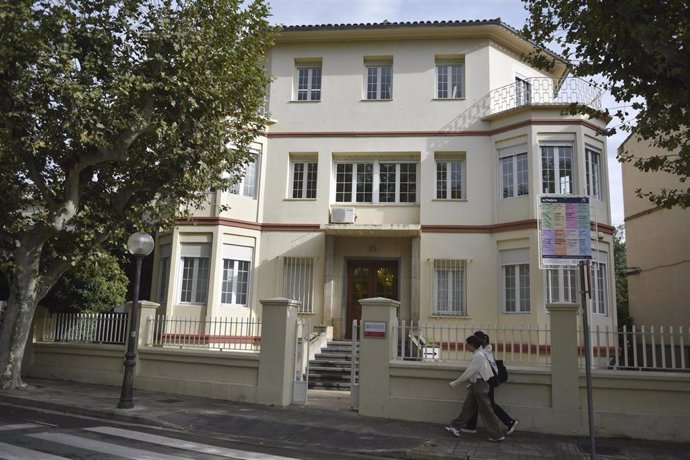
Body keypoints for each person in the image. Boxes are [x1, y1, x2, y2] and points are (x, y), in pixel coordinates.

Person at [445, 335, 506, 442]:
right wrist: (472, 384)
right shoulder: (479, 354)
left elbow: (470, 371)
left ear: (472, 345)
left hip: (480, 385)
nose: (466, 347)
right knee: (468, 407)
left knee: (486, 410)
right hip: (477, 384)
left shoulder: (479, 355)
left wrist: (456, 382)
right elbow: (478, 371)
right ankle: (455, 427)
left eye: (467, 345)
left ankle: (497, 434)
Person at [462, 331, 519, 436]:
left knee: (489, 405)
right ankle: (470, 426)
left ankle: (509, 422)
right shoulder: (486, 351)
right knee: (474, 403)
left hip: (485, 382)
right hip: (484, 381)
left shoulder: (483, 353)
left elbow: (478, 369)